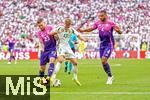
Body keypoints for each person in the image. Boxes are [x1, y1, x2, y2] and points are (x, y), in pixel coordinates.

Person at [78, 10, 122, 85]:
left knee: (104, 60)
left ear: (105, 15)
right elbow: (91, 28)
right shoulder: (97, 23)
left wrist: (119, 31)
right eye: (99, 16)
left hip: (109, 44)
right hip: (102, 44)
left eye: (102, 16)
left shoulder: (111, 23)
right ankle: (110, 75)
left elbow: (119, 31)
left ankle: (110, 77)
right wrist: (82, 30)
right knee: (102, 62)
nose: (100, 17)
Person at [51, 18, 87, 86]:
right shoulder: (60, 28)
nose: (68, 26)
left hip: (67, 47)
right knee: (60, 60)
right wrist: (55, 36)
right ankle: (53, 77)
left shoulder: (71, 29)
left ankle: (75, 78)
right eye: (67, 25)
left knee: (75, 63)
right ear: (65, 23)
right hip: (60, 46)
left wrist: (84, 39)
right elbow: (51, 33)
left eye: (69, 25)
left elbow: (78, 35)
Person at [36, 18, 57, 84]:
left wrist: (56, 36)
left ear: (44, 23)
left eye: (41, 25)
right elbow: (41, 42)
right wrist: (41, 50)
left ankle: (48, 77)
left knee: (52, 61)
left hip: (52, 48)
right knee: (42, 68)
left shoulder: (50, 27)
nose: (40, 27)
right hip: (45, 51)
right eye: (39, 26)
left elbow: (56, 35)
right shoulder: (39, 33)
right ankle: (41, 79)